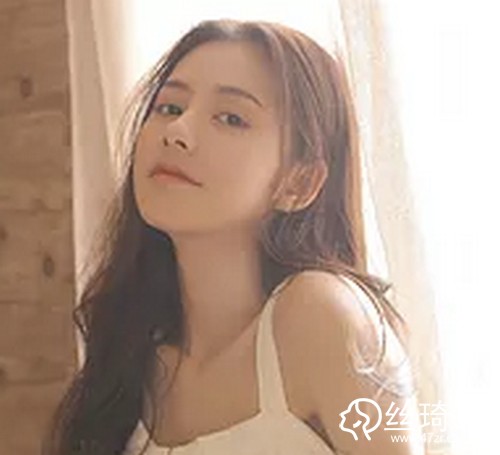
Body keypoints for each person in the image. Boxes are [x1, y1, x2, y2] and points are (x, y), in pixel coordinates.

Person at [42, 18, 425, 455]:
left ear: (299, 183)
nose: (177, 132)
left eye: (230, 118)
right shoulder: (131, 357)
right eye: (169, 108)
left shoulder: (321, 317)